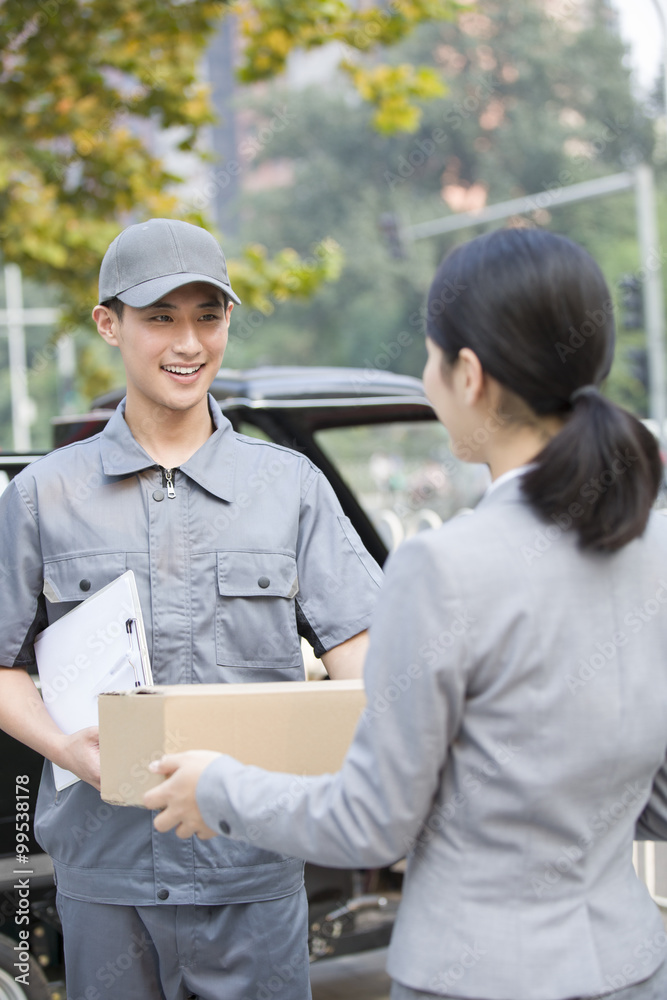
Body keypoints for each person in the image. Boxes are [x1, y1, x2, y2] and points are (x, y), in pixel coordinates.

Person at [146, 227, 667, 1000]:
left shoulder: (445, 566)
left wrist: (217, 787)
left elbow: (370, 824)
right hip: (632, 965)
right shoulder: (649, 538)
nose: (425, 381)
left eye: (428, 357)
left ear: (469, 374)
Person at [0, 218, 383, 999]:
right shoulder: (44, 496)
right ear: (109, 324)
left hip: (254, 869)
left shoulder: (291, 489)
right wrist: (68, 750)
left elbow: (365, 661)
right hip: (105, 879)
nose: (189, 342)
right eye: (160, 318)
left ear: (229, 321)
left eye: (208, 315)